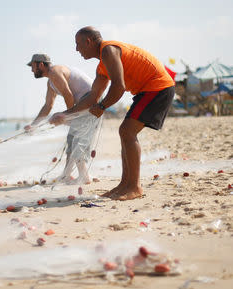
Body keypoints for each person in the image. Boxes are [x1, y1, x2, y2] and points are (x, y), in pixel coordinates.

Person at [50, 26, 175, 200]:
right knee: (125, 132)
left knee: (127, 131)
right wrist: (66, 114)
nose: (76, 49)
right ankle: (125, 185)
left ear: (89, 41)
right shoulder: (102, 64)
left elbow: (119, 87)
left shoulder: (109, 50)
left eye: (78, 44)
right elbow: (93, 96)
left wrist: (102, 107)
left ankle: (134, 187)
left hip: (157, 86)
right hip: (147, 90)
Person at [25, 53, 101, 184]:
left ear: (41, 64)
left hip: (91, 100)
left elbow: (68, 94)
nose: (32, 70)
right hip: (82, 105)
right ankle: (67, 174)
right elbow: (48, 106)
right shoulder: (51, 82)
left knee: (78, 138)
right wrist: (34, 125)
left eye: (33, 66)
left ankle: (84, 176)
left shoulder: (55, 72)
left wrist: (67, 115)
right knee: (71, 139)